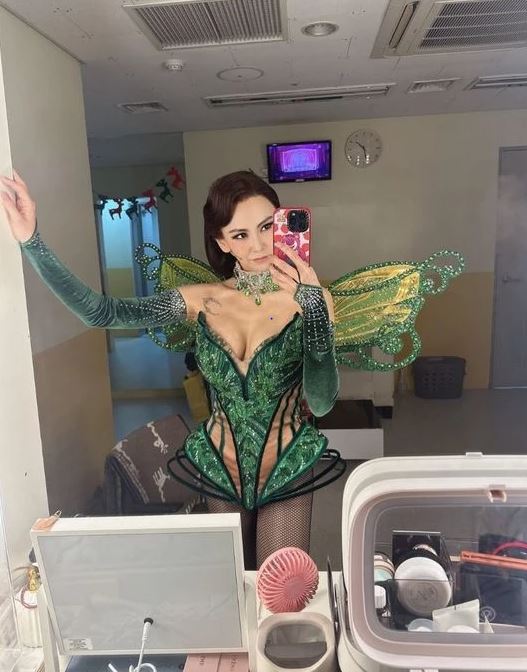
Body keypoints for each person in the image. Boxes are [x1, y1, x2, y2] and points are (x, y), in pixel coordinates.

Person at [1, 170, 345, 569]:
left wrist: (313, 309)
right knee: (230, 584)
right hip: (220, 465)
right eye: (240, 234)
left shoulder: (314, 300)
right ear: (222, 242)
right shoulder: (201, 300)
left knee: (277, 587)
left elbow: (321, 402)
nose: (258, 244)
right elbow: (102, 312)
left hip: (287, 462)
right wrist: (32, 240)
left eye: (267, 226)